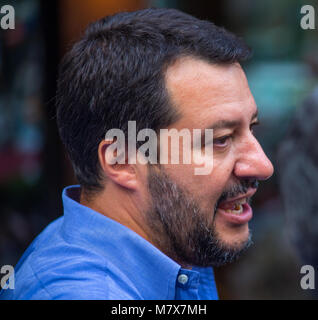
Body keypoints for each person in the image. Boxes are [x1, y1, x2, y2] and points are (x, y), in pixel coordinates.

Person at [0, 8, 273, 300]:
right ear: (122, 161)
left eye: (252, 128)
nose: (263, 165)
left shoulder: (175, 237)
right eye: (220, 140)